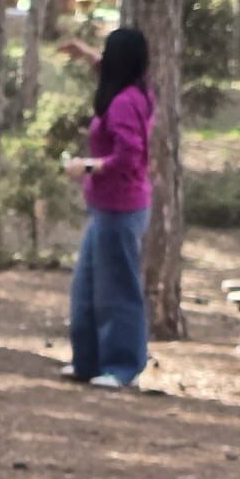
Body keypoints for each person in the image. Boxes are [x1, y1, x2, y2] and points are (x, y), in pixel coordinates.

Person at [57, 27, 154, 389]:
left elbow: (129, 156)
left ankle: (121, 367)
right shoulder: (134, 88)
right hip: (105, 208)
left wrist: (86, 166)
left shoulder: (125, 102)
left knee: (117, 289)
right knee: (86, 287)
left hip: (121, 209)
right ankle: (88, 362)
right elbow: (111, 69)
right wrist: (86, 55)